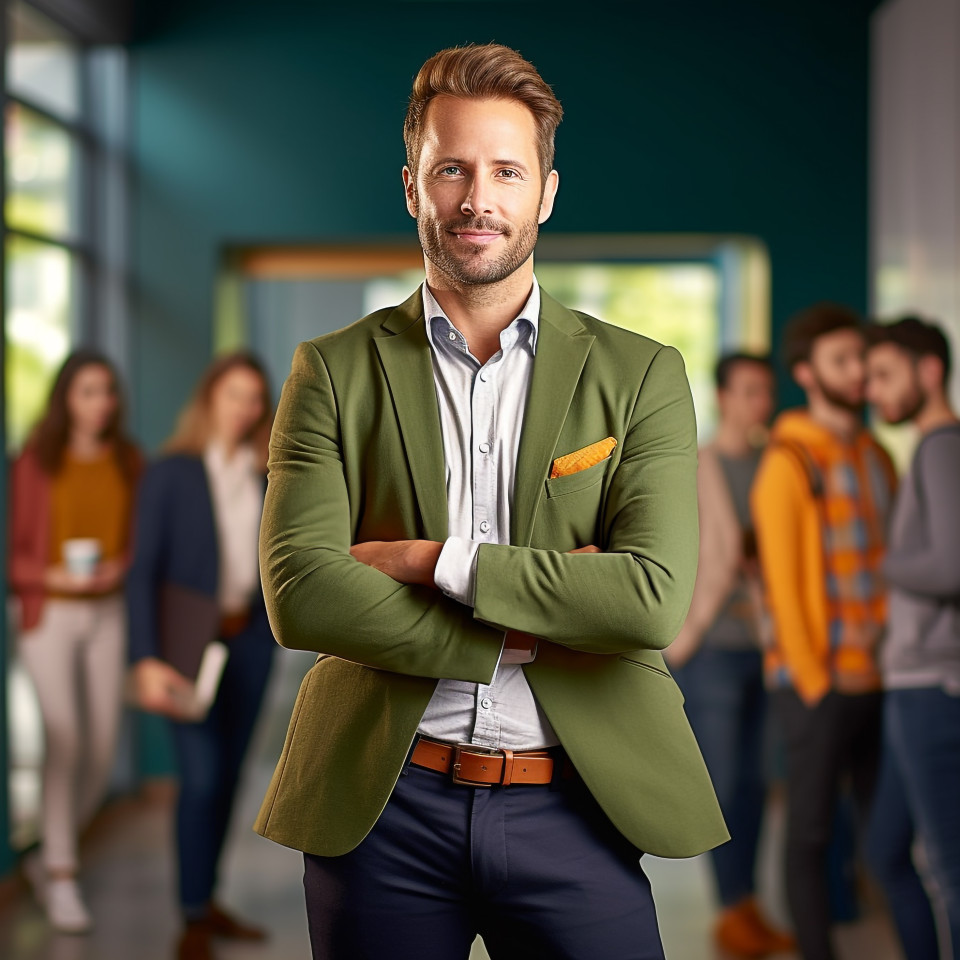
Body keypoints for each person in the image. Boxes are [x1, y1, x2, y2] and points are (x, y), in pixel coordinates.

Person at [253, 43, 727, 960]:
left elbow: (651, 598)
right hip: (382, 809)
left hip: (576, 800)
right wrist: (519, 627)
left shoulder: (640, 375)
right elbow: (302, 593)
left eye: (508, 171)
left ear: (545, 191)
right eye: (452, 170)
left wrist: (434, 562)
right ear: (411, 186)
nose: (479, 199)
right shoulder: (332, 370)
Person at [751, 303, 897, 960]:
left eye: (861, 359)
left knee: (885, 836)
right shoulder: (788, 462)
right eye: (843, 361)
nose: (859, 373)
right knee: (809, 832)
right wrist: (813, 682)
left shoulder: (875, 456)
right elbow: (782, 587)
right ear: (808, 373)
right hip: (818, 683)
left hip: (883, 676)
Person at [126, 352, 275, 960]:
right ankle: (191, 913)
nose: (244, 408)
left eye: (253, 398)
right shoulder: (171, 472)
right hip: (185, 645)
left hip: (250, 642)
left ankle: (208, 901)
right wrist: (145, 658)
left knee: (232, 777)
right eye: (233, 394)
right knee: (201, 777)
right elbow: (140, 575)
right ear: (210, 397)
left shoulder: (268, 473)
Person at [9, 350, 142, 933]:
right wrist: (51, 577)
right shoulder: (34, 464)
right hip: (50, 614)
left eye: (107, 392)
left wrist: (119, 567)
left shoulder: (130, 462)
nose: (100, 403)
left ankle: (46, 851)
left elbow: (142, 539)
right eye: (87, 391)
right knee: (63, 739)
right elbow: (13, 555)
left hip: (106, 612)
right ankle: (61, 873)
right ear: (66, 398)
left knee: (99, 747)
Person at [667, 352, 793, 957]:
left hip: (767, 649)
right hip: (711, 649)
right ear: (723, 397)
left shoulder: (780, 467)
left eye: (765, 392)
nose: (758, 404)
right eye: (747, 392)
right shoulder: (696, 467)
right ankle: (730, 909)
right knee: (719, 785)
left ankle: (749, 903)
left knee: (755, 783)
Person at [865, 317, 960, 960]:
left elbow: (951, 566)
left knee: (951, 871)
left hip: (932, 686)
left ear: (929, 372)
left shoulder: (941, 447)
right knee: (886, 852)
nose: (873, 391)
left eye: (885, 375)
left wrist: (885, 558)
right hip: (914, 683)